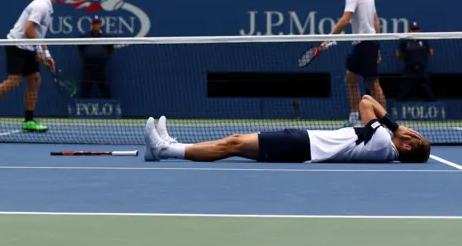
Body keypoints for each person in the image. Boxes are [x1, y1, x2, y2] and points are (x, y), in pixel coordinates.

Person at [145, 95, 430, 164]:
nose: (408, 132)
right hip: (302, 142)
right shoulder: (383, 144)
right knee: (233, 141)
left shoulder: (382, 141)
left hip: (301, 147)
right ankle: (170, 145)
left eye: (411, 137)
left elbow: (367, 101)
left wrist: (397, 126)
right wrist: (399, 129)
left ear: (405, 147)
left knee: (231, 146)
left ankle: (164, 150)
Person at [0, 0, 69, 133]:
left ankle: (28, 121)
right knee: (14, 81)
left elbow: (38, 35)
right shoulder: (40, 5)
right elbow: (29, 30)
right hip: (17, 45)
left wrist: (47, 54)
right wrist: (40, 52)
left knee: (35, 79)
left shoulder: (48, 9)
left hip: (28, 47)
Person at [325, 0, 385, 126]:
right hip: (365, 43)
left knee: (373, 83)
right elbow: (376, 22)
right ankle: (353, 117)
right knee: (350, 78)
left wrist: (329, 38)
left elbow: (345, 19)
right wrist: (376, 44)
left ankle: (384, 121)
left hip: (365, 43)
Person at [396, 22, 435, 101]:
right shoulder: (405, 41)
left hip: (421, 70)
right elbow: (398, 54)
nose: (415, 31)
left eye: (416, 29)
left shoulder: (423, 40)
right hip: (409, 70)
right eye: (413, 29)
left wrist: (421, 59)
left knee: (428, 92)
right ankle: (397, 107)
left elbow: (430, 52)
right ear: (409, 30)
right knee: (403, 92)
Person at [78, 17, 114, 99]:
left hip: (101, 67)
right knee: (86, 86)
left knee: (103, 86)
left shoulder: (107, 37)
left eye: (98, 23)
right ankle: (83, 104)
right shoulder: (85, 36)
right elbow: (80, 50)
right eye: (94, 23)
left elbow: (111, 50)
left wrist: (102, 57)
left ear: (101, 25)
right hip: (88, 66)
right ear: (91, 25)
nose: (96, 25)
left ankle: (108, 102)